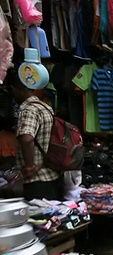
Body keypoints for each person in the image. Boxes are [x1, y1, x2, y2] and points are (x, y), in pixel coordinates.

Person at [10, 72, 63, 200]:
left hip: (36, 179)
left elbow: (27, 138)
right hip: (52, 175)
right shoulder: (46, 107)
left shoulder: (28, 110)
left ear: (19, 89)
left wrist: (30, 166)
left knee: (38, 217)